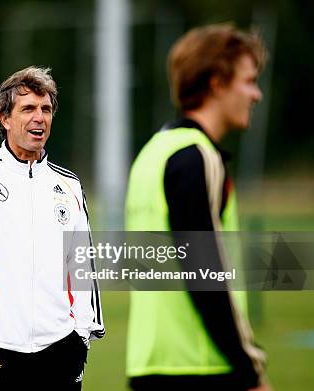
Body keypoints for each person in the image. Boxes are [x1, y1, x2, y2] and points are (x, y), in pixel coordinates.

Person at [0, 66, 104, 390]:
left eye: (46, 109)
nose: (39, 117)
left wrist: (81, 337)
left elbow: (82, 266)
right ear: (5, 118)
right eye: (28, 109)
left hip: (59, 349)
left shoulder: (68, 185)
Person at [125, 24, 270, 390]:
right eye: (249, 81)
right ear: (217, 83)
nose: (256, 94)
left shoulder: (152, 153)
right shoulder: (197, 157)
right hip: (202, 367)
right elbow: (206, 273)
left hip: (148, 364)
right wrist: (250, 368)